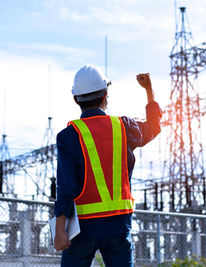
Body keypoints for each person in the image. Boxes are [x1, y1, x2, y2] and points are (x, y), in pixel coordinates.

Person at [53, 65, 162, 267]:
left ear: (76, 99)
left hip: (83, 228)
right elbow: (154, 127)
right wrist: (149, 90)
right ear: (105, 95)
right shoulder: (123, 127)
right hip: (119, 225)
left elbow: (66, 187)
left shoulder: (68, 136)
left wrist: (60, 229)